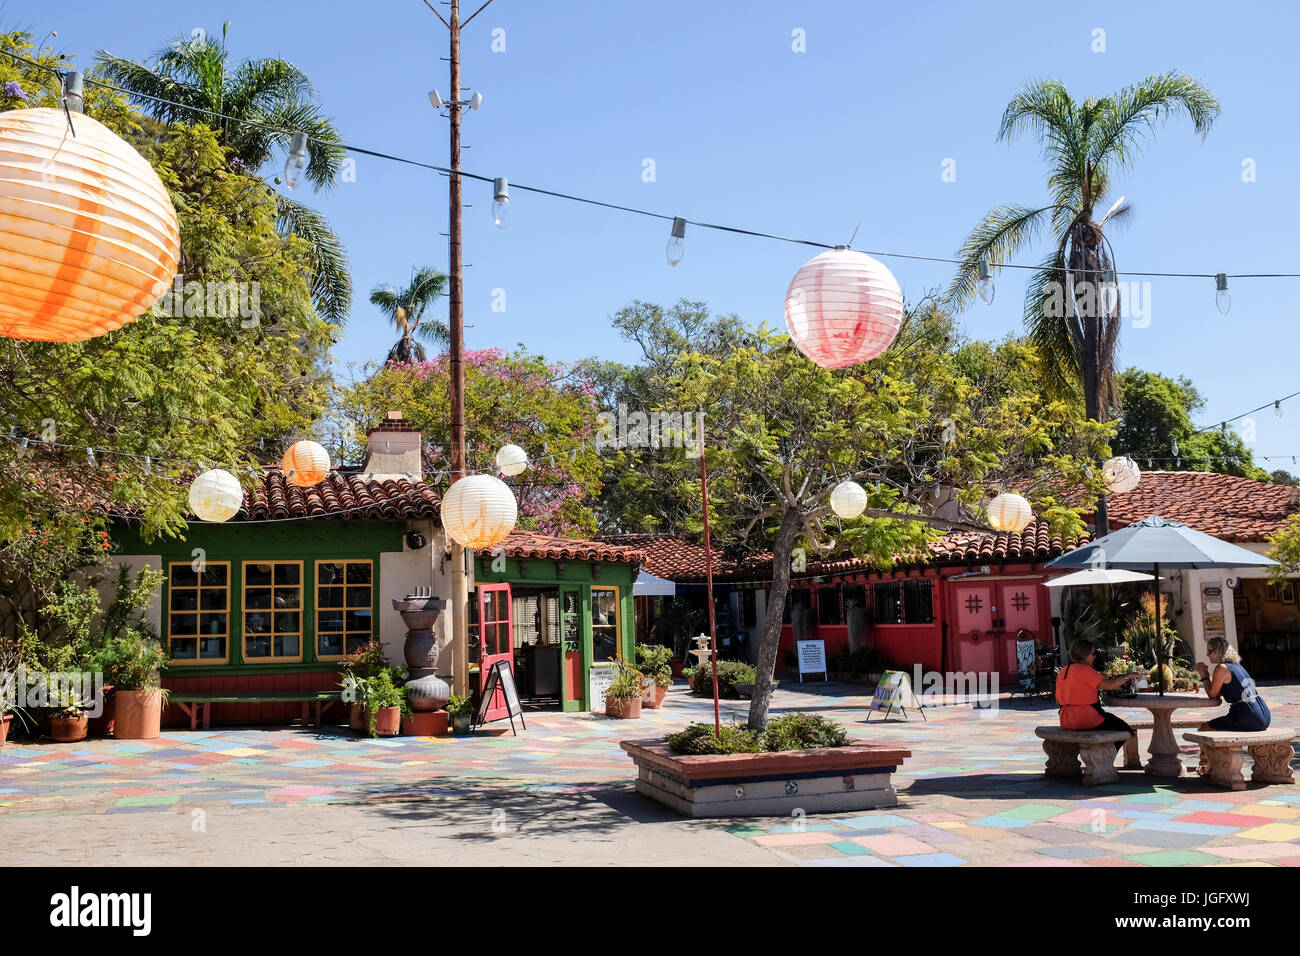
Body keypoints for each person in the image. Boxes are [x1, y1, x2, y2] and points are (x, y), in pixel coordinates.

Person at [1056, 638, 1142, 748]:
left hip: (1066, 721)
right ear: (1085, 654)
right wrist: (1128, 676)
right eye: (1092, 653)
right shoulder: (1086, 670)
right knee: (1126, 731)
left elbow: (1058, 698)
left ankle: (1100, 755)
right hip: (1088, 719)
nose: (1094, 656)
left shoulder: (1063, 671)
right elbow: (1110, 685)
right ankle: (1107, 758)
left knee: (1110, 720)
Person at [1195, 637, 1270, 732]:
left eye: (1209, 651)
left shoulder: (1221, 668)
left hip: (1248, 716)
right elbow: (1217, 691)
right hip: (1263, 713)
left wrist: (1204, 675)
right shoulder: (1236, 665)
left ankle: (1223, 747)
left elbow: (1212, 694)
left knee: (1204, 728)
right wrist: (1206, 674)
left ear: (1218, 651)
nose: (1207, 655)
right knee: (1214, 726)